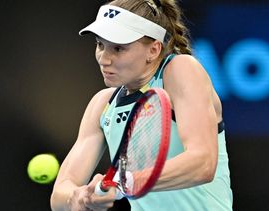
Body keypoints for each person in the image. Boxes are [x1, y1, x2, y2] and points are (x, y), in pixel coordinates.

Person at [50, 0, 233, 210]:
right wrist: (79, 196)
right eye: (100, 45)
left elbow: (203, 163)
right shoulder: (102, 104)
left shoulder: (180, 70)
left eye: (118, 48)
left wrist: (122, 182)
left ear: (153, 50)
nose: (104, 59)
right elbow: (60, 194)